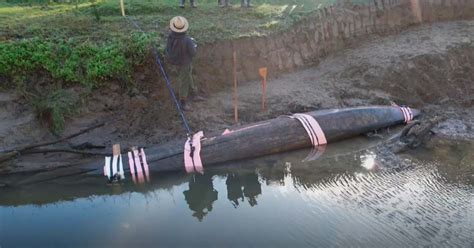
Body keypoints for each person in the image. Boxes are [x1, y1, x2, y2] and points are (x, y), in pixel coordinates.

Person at [165, 16, 203, 111]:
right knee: (184, 82)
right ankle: (183, 103)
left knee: (187, 76)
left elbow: (167, 49)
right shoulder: (187, 40)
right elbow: (193, 53)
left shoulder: (170, 37)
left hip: (174, 62)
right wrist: (194, 46)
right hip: (184, 63)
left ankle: (194, 94)